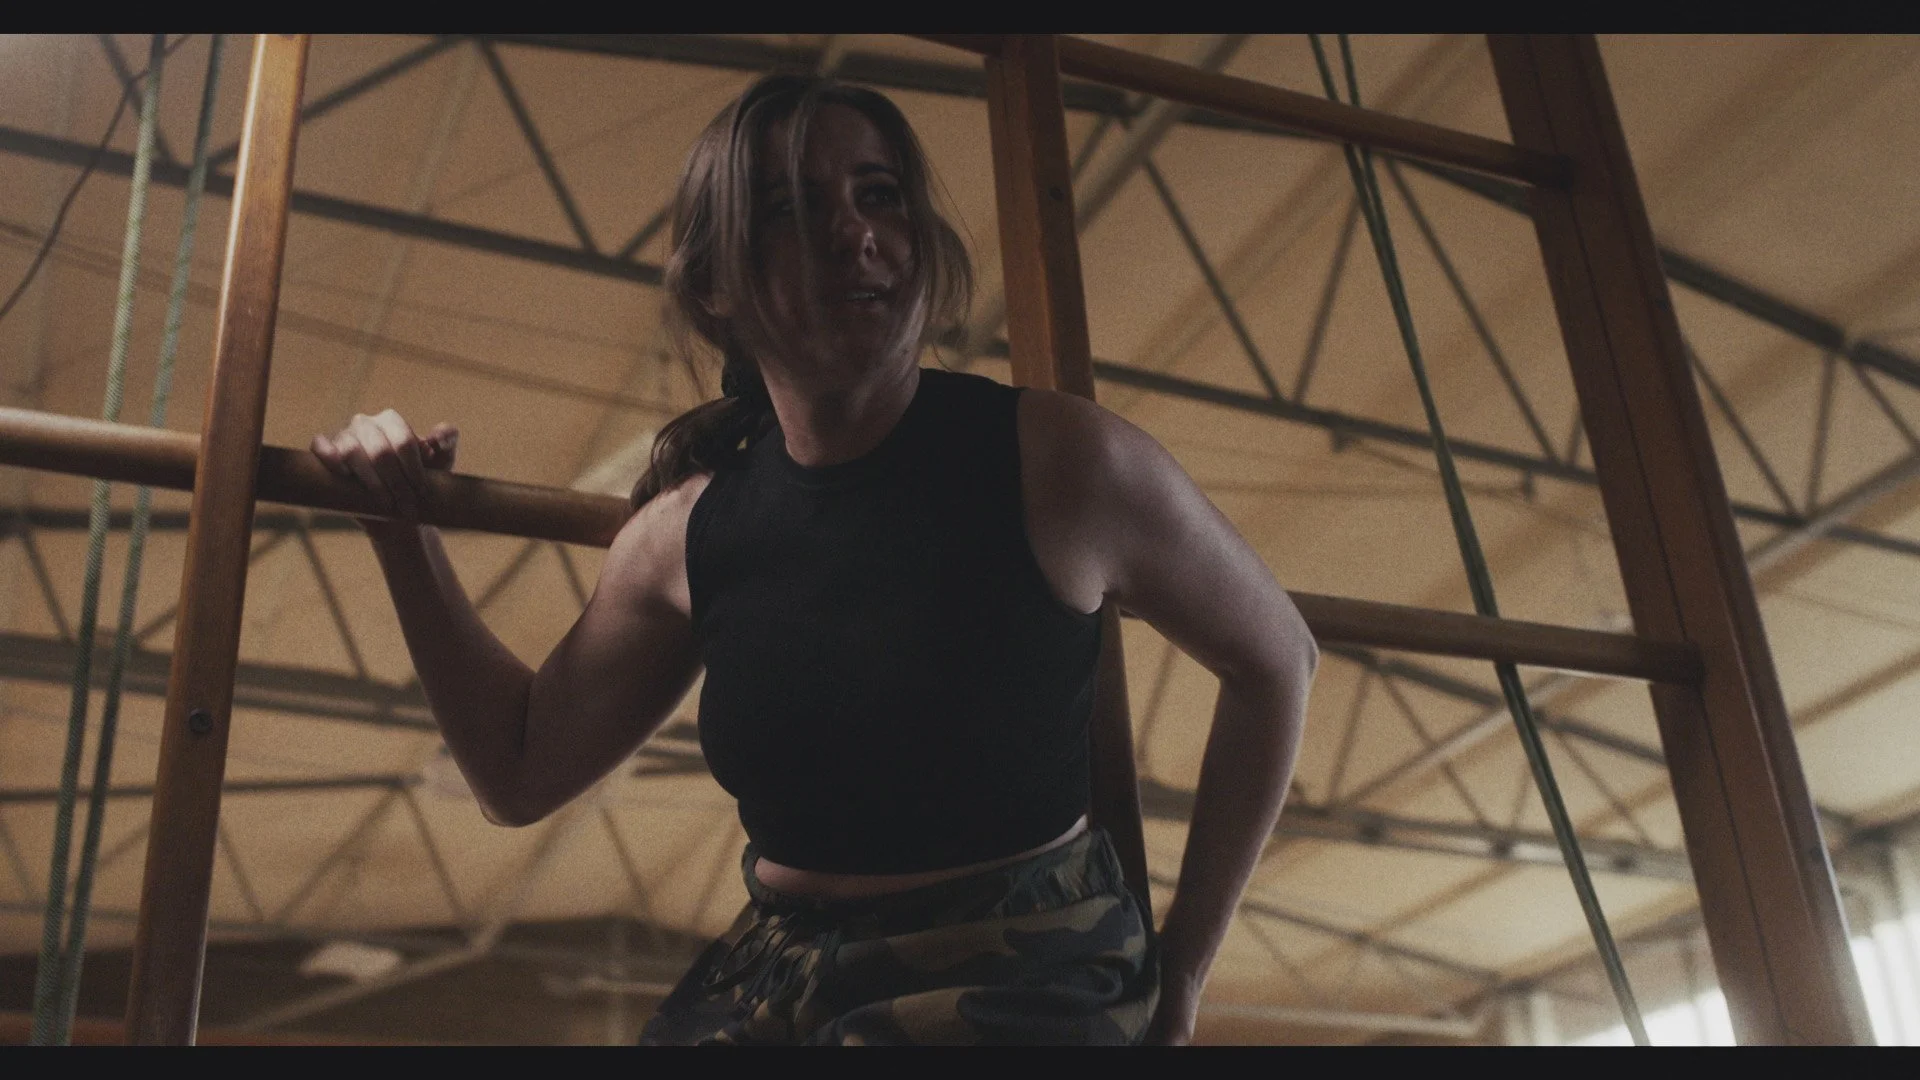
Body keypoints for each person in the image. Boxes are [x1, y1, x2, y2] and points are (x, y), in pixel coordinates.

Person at [310, 73, 1317, 1046]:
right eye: (793, 208)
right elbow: (519, 772)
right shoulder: (687, 531)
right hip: (773, 977)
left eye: (879, 195)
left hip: (1014, 970)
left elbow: (1277, 661)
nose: (856, 232)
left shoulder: (1063, 461)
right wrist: (400, 530)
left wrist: (1183, 970)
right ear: (714, 284)